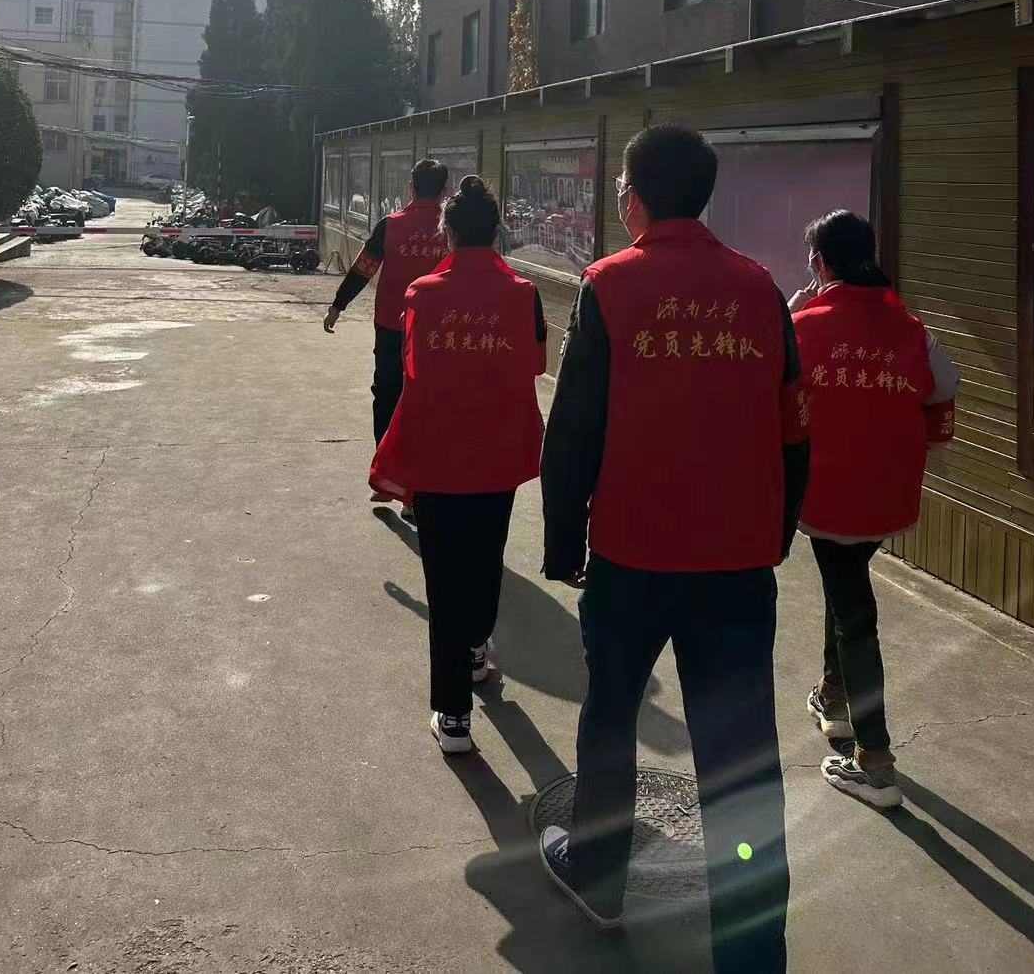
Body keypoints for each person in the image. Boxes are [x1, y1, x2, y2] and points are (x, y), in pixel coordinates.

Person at [539, 123, 809, 969]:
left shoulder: (609, 284)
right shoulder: (761, 289)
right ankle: (753, 948)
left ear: (635, 199)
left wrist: (563, 539)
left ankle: (599, 873)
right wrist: (776, 530)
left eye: (622, 187)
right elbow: (794, 429)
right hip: (737, 565)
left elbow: (572, 429)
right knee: (740, 757)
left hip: (633, 556)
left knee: (612, 716)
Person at [370, 176, 547, 754]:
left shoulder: (421, 295)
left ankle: (452, 715)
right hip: (496, 452)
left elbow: (412, 371)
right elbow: (535, 364)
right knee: (487, 555)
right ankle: (475, 648)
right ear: (496, 232)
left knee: (443, 578)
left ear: (447, 232)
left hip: (439, 455)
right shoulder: (524, 293)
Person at [789, 209, 958, 811]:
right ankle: (834, 696)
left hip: (826, 495)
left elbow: (771, 383)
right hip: (887, 494)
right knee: (846, 586)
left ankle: (875, 760)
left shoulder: (804, 325)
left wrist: (791, 312)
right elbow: (944, 386)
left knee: (854, 612)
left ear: (820, 262)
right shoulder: (911, 328)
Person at [323, 158, 449, 512]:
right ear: (444, 190)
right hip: (440, 333)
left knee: (389, 398)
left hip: (393, 328)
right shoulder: (452, 229)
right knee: (428, 403)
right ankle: (421, 488)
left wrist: (338, 305)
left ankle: (389, 479)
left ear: (411, 187)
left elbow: (363, 270)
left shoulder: (390, 226)